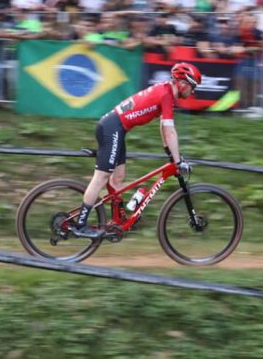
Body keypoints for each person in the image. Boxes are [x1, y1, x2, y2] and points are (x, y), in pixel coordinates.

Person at [70, 62, 202, 238]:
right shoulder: (166, 94)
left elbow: (164, 129)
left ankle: (116, 222)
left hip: (116, 128)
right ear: (183, 83)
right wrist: (177, 161)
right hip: (113, 128)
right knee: (101, 177)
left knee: (117, 178)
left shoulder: (165, 91)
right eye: (192, 87)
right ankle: (80, 224)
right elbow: (170, 131)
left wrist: (171, 154)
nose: (192, 92)